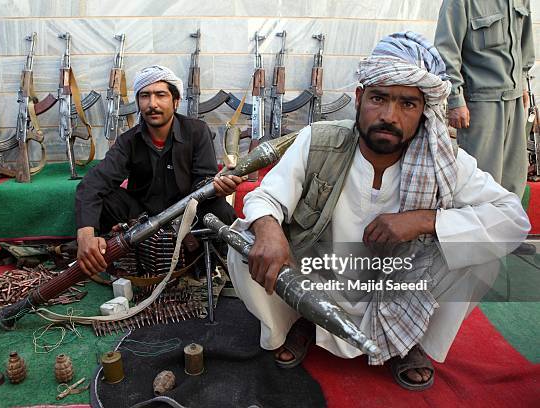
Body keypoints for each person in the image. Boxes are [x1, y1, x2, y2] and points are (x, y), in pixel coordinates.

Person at [227, 32, 530, 391]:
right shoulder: (319, 140)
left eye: (407, 104)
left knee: (482, 256)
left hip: (401, 287)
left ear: (424, 111)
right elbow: (266, 197)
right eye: (379, 98)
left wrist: (425, 221)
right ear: (359, 98)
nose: (388, 116)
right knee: (245, 242)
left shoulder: (444, 161)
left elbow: (513, 219)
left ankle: (408, 341)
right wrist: (268, 228)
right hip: (318, 278)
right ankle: (302, 319)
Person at [75, 65, 242, 276]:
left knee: (221, 211)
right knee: (104, 198)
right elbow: (93, 184)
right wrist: (86, 235)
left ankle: (205, 267)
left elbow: (203, 181)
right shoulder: (129, 141)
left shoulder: (197, 132)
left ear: (176, 101)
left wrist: (217, 188)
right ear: (138, 103)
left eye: (160, 95)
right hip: (140, 215)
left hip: (187, 213)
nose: (152, 104)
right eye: (145, 96)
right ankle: (110, 259)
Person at [434, 0, 535, 198]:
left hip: (514, 101)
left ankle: (507, 227)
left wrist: (522, 82)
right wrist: (455, 99)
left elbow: (525, 41)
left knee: (514, 181)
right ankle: (477, 227)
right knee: (480, 182)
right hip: (480, 104)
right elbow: (446, 51)